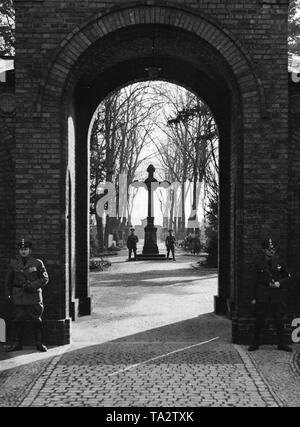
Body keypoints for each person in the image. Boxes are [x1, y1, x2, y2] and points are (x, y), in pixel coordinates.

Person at [248, 237, 292, 352]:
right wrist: (253, 297)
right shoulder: (259, 263)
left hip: (276, 295)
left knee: (279, 320)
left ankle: (281, 344)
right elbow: (254, 281)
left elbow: (288, 277)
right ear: (264, 250)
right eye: (268, 249)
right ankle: (255, 343)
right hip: (262, 294)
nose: (271, 251)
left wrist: (279, 282)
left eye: (273, 249)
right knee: (259, 319)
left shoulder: (280, 263)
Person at [5, 239, 49, 352]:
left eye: (25, 249)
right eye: (21, 249)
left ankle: (39, 343)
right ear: (19, 251)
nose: (23, 251)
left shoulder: (37, 263)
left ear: (30, 250)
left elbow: (45, 278)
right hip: (18, 295)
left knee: (36, 319)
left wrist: (33, 285)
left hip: (33, 296)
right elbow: (8, 281)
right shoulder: (13, 263)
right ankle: (17, 343)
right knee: (18, 319)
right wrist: (9, 294)